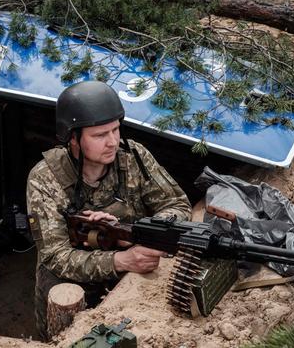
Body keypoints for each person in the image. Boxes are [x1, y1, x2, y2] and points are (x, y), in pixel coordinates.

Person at [26, 80, 192, 340]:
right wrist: (120, 260)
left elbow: (177, 205)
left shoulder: (134, 156)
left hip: (124, 283)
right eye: (100, 135)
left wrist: (137, 232)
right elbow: (55, 256)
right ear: (73, 138)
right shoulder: (46, 178)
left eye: (116, 130)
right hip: (69, 284)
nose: (113, 142)